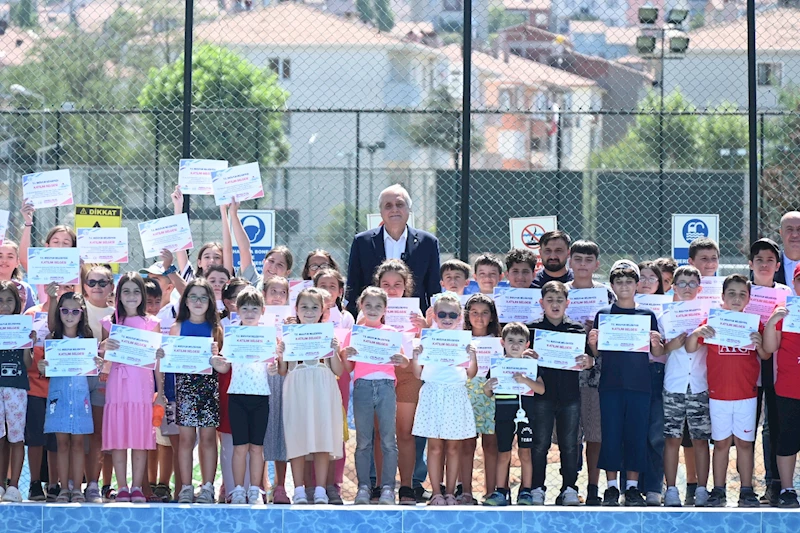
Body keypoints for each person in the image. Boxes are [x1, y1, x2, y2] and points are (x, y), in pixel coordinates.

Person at [685, 274, 767, 508]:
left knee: (744, 443)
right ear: (722, 296)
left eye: (742, 294)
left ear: (749, 298)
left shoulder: (754, 323)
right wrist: (698, 333)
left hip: (746, 394)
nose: (736, 298)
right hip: (719, 393)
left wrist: (760, 344)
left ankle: (746, 490)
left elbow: (765, 355)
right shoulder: (712, 321)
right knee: (720, 444)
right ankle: (718, 490)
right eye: (731, 293)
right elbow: (691, 348)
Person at [588, 260, 663, 507]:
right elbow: (597, 354)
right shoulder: (604, 315)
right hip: (611, 385)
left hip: (640, 385)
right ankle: (610, 488)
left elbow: (657, 352)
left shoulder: (647, 315)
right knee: (611, 435)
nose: (624, 286)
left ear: (636, 285)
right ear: (612, 285)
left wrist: (656, 343)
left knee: (636, 435)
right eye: (619, 282)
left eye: (629, 282)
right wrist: (592, 343)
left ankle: (631, 488)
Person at [98, 273, 164, 504]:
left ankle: (137, 486)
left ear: (143, 296)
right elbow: (104, 358)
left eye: (136, 291)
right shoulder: (110, 322)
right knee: (118, 437)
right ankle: (122, 486)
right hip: (117, 384)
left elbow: (157, 362)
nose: (131, 296)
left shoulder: (152, 323)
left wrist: (161, 393)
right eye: (126, 291)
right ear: (118, 295)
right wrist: (103, 347)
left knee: (139, 437)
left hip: (142, 387)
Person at [528, 281, 593, 506]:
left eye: (559, 300)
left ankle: (569, 488)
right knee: (540, 443)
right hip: (541, 396)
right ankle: (537, 487)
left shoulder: (576, 330)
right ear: (541, 303)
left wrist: (589, 361)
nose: (555, 305)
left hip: (569, 395)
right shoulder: (532, 329)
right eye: (550, 300)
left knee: (570, 444)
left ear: (567, 303)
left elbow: (589, 360)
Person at [411, 292, 478, 505]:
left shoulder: (464, 341)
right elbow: (417, 374)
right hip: (432, 392)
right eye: (442, 314)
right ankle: (436, 493)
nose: (447, 318)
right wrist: (415, 357)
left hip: (456, 394)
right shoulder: (427, 339)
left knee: (453, 447)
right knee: (435, 447)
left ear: (460, 317)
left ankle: (450, 492)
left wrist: (473, 356)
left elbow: (470, 374)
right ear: (434, 316)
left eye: (452, 314)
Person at [278, 287, 344, 504]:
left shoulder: (327, 334)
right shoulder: (289, 333)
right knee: (297, 436)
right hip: (297, 386)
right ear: (296, 309)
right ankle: (298, 490)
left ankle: (320, 490)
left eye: (315, 307)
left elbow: (338, 370)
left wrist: (334, 350)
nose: (309, 311)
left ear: (323, 311)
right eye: (304, 307)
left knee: (322, 436)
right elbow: (283, 369)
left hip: (323, 387)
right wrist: (280, 354)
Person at [343, 287, 407, 505]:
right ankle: (363, 487)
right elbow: (348, 366)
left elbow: (404, 361)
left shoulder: (390, 332)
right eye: (368, 305)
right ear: (361, 306)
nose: (372, 310)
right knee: (363, 442)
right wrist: (346, 354)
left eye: (378, 306)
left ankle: (388, 488)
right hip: (362, 387)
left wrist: (401, 359)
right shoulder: (355, 333)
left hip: (387, 387)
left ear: (385, 309)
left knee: (389, 440)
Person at [211, 286, 274, 505]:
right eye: (244, 308)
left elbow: (273, 367)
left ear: (262, 310)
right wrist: (215, 362)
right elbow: (225, 368)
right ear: (237, 310)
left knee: (257, 448)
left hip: (261, 397)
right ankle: (237, 490)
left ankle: (255, 490)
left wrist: (275, 368)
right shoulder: (232, 334)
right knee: (239, 447)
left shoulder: (268, 335)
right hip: (236, 397)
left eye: (254, 308)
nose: (249, 312)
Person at [373, 259, 427, 504]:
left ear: (406, 287)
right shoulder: (369, 312)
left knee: (405, 434)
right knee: (380, 434)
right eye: (385, 284)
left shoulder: (417, 317)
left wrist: (424, 329)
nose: (391, 290)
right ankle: (381, 486)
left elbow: (425, 350)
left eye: (397, 284)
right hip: (378, 374)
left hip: (406, 375)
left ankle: (406, 486)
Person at [566, 239, 614, 506]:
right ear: (570, 262)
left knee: (595, 433)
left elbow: (620, 331)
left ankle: (593, 487)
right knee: (569, 434)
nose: (583, 265)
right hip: (566, 372)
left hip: (597, 374)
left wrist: (597, 332)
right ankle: (569, 485)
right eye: (578, 259)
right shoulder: (559, 291)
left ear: (597, 264)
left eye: (588, 260)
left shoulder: (607, 294)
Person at [345, 183, 441, 317]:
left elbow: (434, 290)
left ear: (408, 209)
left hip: (414, 323)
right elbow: (353, 287)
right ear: (381, 211)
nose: (394, 209)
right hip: (372, 323)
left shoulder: (428, 243)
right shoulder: (362, 242)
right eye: (388, 206)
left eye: (399, 204)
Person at [658, 265, 711, 507]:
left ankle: (701, 488)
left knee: (700, 439)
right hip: (674, 384)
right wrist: (669, 345)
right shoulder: (664, 316)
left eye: (692, 284)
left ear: (700, 289)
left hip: (700, 384)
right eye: (682, 283)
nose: (687, 288)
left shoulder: (709, 315)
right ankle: (671, 490)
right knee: (672, 438)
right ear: (673, 287)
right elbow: (657, 351)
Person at [39, 291, 95, 503]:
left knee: (79, 443)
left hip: (80, 398)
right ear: (59, 312)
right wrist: (42, 366)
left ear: (82, 314)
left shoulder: (87, 340)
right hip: (59, 398)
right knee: (61, 443)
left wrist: (97, 364)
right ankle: (64, 488)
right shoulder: (52, 340)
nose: (69, 316)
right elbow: (44, 369)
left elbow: (94, 368)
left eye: (75, 311)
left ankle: (77, 488)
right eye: (65, 311)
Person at [170, 279, 222, 504]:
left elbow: (222, 365)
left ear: (210, 301)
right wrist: (170, 396)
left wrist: (216, 354)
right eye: (193, 297)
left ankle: (208, 487)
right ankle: (186, 488)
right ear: (186, 301)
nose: (198, 301)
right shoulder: (177, 327)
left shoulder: (216, 329)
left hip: (209, 389)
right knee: (186, 440)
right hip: (185, 389)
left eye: (203, 297)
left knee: (209, 439)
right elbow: (171, 364)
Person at [482, 322, 545, 506]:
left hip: (526, 416)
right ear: (502, 343)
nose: (515, 345)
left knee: (525, 453)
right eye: (510, 340)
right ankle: (501, 491)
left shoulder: (531, 366)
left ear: (527, 345)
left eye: (520, 341)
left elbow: (541, 389)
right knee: (504, 453)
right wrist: (487, 387)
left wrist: (525, 380)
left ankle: (526, 491)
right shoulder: (497, 366)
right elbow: (488, 392)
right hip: (503, 415)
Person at [749, 237, 791, 506]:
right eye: (759, 260)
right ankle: (745, 486)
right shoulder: (741, 291)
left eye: (770, 261)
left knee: (773, 427)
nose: (764, 265)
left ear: (777, 266)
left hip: (778, 367)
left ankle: (774, 485)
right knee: (746, 429)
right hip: (746, 366)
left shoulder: (788, 294)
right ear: (750, 264)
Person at [762, 265, 800, 508]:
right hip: (788, 387)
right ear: (794, 282)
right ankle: (787, 489)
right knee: (787, 439)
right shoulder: (785, 311)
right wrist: (772, 322)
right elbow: (769, 349)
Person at [460, 294, 500, 505]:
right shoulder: (460, 339)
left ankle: (491, 492)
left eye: (485, 313)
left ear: (492, 316)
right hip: (466, 393)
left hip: (491, 393)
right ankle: (466, 491)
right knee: (466, 445)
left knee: (491, 445)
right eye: (474, 312)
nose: (479, 317)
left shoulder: (499, 341)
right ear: (467, 316)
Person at [81, 265, 115, 503]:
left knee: (102, 435)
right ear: (84, 285)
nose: (97, 287)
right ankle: (78, 481)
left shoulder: (117, 314)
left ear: (111, 286)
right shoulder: (76, 308)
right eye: (92, 282)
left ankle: (99, 484)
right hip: (77, 376)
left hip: (105, 377)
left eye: (102, 282)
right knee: (79, 434)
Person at [635, 260, 666, 506]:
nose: (646, 282)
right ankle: (632, 487)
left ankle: (655, 487)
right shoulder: (623, 309)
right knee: (632, 432)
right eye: (641, 277)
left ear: (660, 283)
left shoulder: (669, 308)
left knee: (656, 434)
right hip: (631, 372)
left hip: (657, 371)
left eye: (651, 278)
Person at [0, 281, 35, 501]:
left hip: (17, 387)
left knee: (16, 437)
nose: (4, 305)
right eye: (0, 301)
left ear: (17, 303)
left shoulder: (22, 325)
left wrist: (28, 343)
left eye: (9, 300)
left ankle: (13, 487)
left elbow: (28, 364)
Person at [261, 276, 291, 504]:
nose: (277, 296)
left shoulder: (293, 320)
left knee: (282, 431)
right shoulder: (256, 318)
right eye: (273, 291)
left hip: (285, 378)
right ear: (264, 294)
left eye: (282, 292)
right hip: (261, 378)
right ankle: (261, 484)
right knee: (260, 431)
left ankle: (281, 486)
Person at [774, 211, 800, 292]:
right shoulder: (769, 265)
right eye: (789, 229)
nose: (795, 234)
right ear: (781, 233)